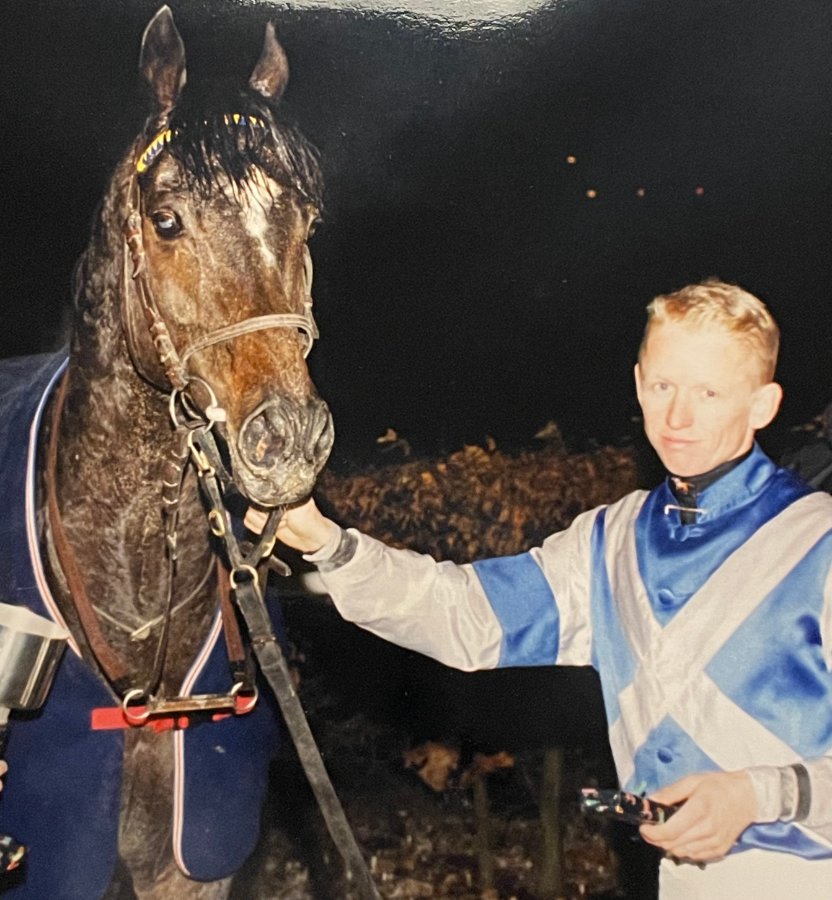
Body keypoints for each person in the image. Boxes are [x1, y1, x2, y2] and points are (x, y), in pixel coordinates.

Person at [249, 279, 832, 899]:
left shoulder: (816, 541)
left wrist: (759, 794)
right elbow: (466, 615)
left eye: (709, 393)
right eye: (664, 387)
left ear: (763, 405)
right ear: (639, 384)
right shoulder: (612, 539)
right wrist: (329, 544)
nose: (678, 417)